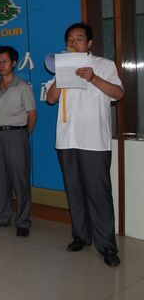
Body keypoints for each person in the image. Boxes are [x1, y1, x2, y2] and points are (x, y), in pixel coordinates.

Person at [46, 22, 124, 267]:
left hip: (94, 142)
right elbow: (50, 99)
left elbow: (119, 94)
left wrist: (93, 78)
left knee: (99, 193)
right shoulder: (61, 66)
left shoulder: (104, 65)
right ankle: (81, 235)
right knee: (75, 190)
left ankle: (107, 245)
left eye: (79, 38)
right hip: (66, 140)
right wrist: (61, 76)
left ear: (89, 43)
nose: (73, 42)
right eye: (70, 38)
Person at [0, 46, 36, 237]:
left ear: (14, 63)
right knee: (0, 178)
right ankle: (2, 217)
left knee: (20, 180)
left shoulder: (23, 86)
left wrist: (23, 136)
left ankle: (23, 221)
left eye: (5, 61)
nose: (1, 65)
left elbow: (32, 115)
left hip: (16, 135)